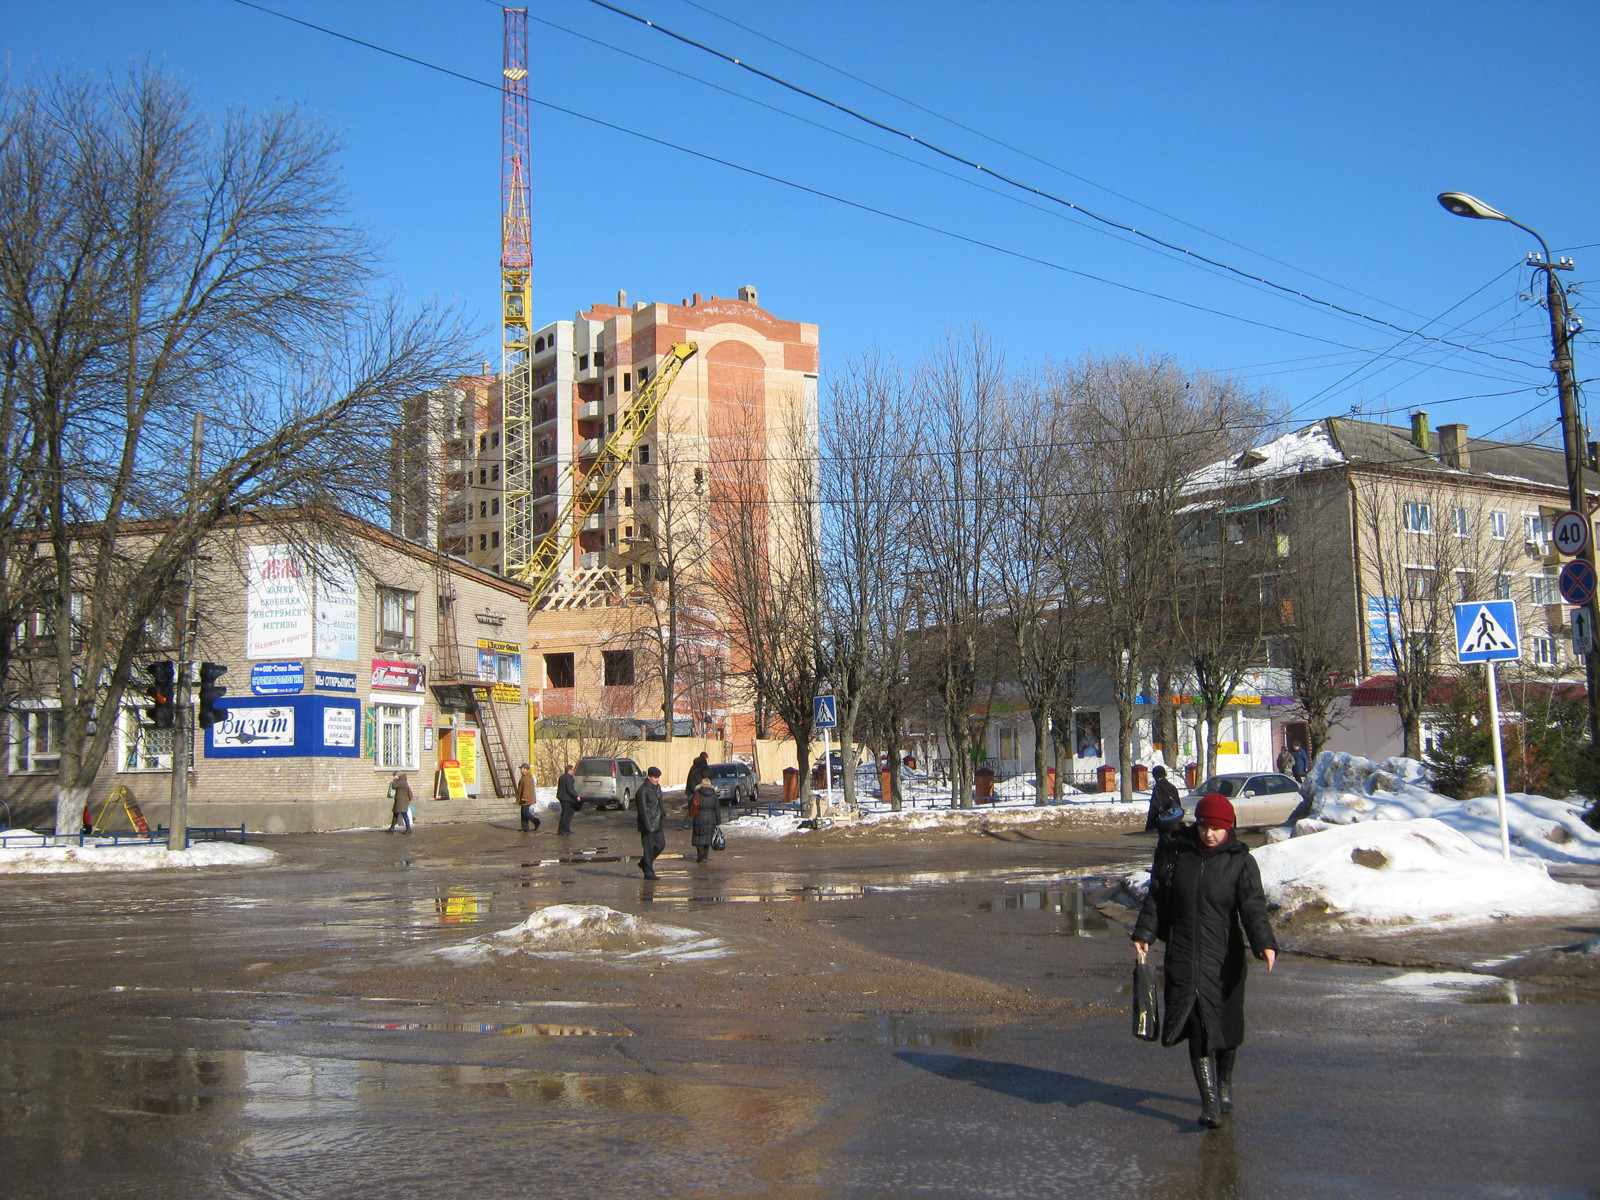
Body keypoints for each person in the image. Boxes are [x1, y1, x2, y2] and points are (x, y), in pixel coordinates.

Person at [1132, 793, 1278, 1129]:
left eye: (1216, 828)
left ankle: (1224, 1087)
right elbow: (1157, 896)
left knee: (1226, 1028)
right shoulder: (1177, 855)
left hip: (1224, 958)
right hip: (1183, 954)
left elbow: (1253, 907)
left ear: (1229, 828)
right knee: (1197, 1024)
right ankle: (1209, 1101)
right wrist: (1145, 933)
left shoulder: (1240, 862)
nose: (1208, 834)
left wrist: (1264, 944)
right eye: (1203, 826)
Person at [635, 766, 667, 879]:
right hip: (648, 824)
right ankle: (649, 872)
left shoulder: (657, 788)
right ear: (649, 777)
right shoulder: (643, 790)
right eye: (655, 777)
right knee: (648, 849)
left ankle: (645, 862)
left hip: (658, 823)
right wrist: (647, 825)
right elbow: (642, 809)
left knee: (661, 845)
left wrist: (663, 813)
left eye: (658, 777)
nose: (657, 779)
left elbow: (659, 803)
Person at [690, 778, 721, 863]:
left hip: (699, 817)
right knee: (708, 837)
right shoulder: (714, 795)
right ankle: (705, 856)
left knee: (699, 837)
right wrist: (718, 822)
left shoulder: (697, 793)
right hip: (711, 818)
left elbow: (691, 805)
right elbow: (717, 809)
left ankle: (700, 854)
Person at [1144, 764, 1181, 832]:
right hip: (1174, 819)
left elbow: (1155, 806)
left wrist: (1150, 825)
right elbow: (1178, 803)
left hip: (1163, 821)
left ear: (1154, 776)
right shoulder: (1172, 787)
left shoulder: (1158, 787)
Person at [555, 763, 580, 837]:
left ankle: (566, 828)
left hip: (564, 797)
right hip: (566, 798)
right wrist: (576, 796)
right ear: (569, 770)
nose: (573, 772)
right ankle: (561, 830)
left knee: (570, 812)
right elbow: (569, 789)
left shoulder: (563, 777)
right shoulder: (568, 778)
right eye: (572, 770)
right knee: (565, 814)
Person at [515, 762, 540, 832]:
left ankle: (536, 821)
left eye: (522, 768)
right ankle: (525, 828)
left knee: (525, 812)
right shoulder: (525, 776)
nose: (521, 770)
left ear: (525, 769)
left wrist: (524, 798)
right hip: (525, 798)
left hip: (527, 798)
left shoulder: (527, 777)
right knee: (523, 812)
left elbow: (526, 788)